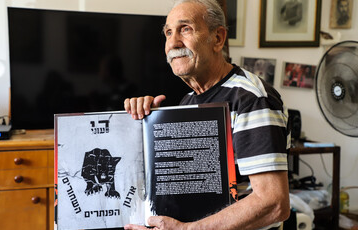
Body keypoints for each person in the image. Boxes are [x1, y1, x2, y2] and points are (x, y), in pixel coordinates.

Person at [123, 0, 291, 229]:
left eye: (186, 29)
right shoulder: (189, 101)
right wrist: (147, 121)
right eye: (168, 32)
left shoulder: (251, 99)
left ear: (218, 39)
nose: (173, 43)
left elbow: (273, 203)